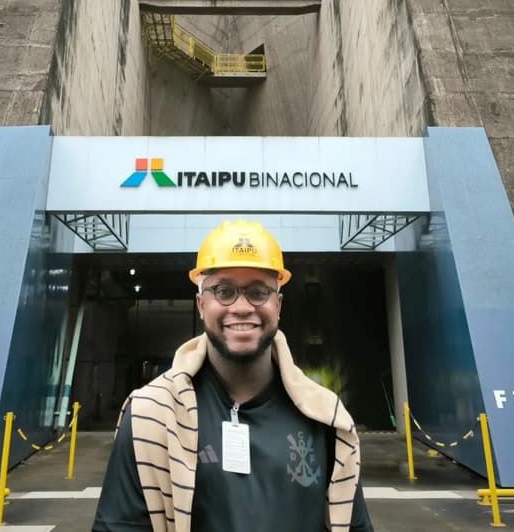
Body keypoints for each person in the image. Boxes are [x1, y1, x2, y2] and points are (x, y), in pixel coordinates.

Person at [92, 219, 373, 531]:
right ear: (201, 304)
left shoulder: (328, 419)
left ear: (277, 305)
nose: (241, 307)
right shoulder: (152, 416)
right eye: (224, 291)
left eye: (258, 291)